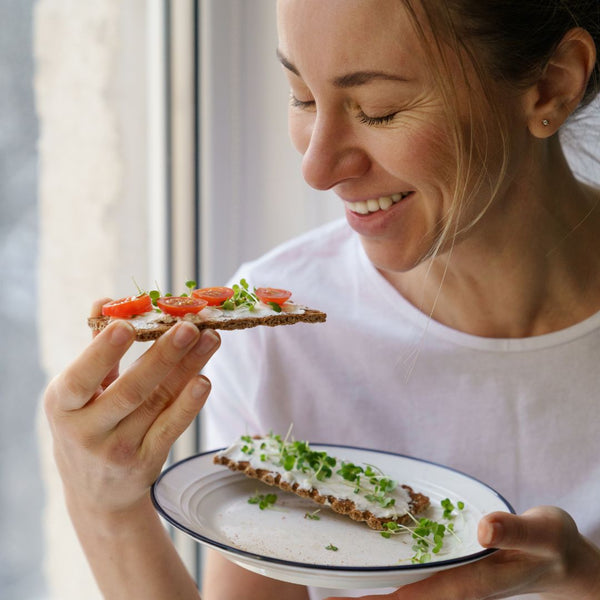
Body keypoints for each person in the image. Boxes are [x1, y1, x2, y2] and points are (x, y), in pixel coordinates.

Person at [43, 0, 600, 598]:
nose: (317, 168)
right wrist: (105, 506)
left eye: (380, 111)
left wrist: (581, 577)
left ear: (550, 86)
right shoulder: (283, 344)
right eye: (302, 96)